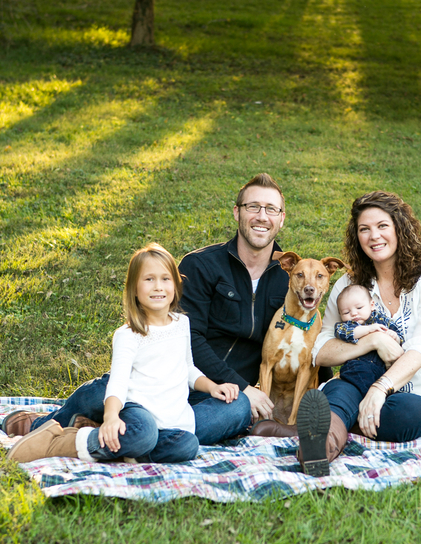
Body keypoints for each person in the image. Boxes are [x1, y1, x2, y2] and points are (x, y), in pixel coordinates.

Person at [3, 174, 291, 446]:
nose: (261, 216)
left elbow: (300, 339)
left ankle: (120, 432)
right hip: (159, 381)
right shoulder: (202, 265)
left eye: (271, 209)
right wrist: (243, 385)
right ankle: (43, 426)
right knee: (110, 388)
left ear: (281, 218)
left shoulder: (290, 278)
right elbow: (191, 337)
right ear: (237, 212)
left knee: (238, 410)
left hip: (218, 396)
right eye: (253, 206)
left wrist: (244, 390)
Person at [254, 191, 421, 475]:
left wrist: (379, 389)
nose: (374, 236)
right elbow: (321, 351)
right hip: (354, 384)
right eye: (364, 229)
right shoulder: (347, 284)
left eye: (382, 226)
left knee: (407, 415)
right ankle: (316, 452)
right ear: (356, 236)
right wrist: (373, 340)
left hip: (411, 395)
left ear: (400, 228)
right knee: (336, 393)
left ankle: (314, 428)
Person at [9, 244, 238, 464]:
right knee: (144, 433)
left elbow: (187, 368)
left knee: (187, 445)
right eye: (149, 279)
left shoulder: (182, 323)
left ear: (176, 286)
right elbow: (117, 383)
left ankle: (126, 450)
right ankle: (67, 442)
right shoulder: (129, 335)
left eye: (165, 279)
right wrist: (111, 417)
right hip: (138, 411)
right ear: (134, 289)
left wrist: (212, 387)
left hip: (171, 419)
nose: (158, 286)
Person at [334, 284, 404, 397]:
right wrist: (369, 329)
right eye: (346, 312)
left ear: (371, 305)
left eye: (359, 308)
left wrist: (394, 336)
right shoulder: (347, 325)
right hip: (358, 367)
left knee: (389, 390)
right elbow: (347, 333)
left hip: (383, 370)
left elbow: (400, 338)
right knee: (361, 386)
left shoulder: (381, 319)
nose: (354, 313)